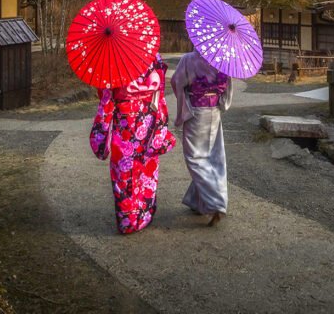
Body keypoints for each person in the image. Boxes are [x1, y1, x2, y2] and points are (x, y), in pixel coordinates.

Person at [89, 54, 175, 234]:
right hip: (148, 123)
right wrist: (161, 124)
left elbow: (105, 96)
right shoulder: (153, 56)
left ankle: (128, 221)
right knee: (147, 172)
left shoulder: (113, 59)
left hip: (125, 128)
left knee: (124, 174)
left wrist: (102, 130)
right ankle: (145, 215)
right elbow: (158, 92)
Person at [171, 50, 233, 226]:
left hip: (196, 113)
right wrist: (221, 103)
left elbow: (176, 82)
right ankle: (197, 202)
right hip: (214, 112)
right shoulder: (223, 58)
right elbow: (227, 88)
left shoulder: (189, 59)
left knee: (195, 157)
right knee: (213, 156)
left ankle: (216, 202)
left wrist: (184, 103)